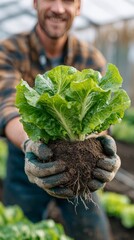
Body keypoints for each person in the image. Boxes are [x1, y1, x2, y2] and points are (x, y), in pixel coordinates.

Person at [0, 0, 121, 239]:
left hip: (80, 165)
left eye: (67, 0)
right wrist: (30, 145)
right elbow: (7, 108)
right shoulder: (11, 49)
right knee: (17, 230)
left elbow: (101, 119)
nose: (57, 8)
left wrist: (101, 147)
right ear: (35, 3)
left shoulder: (90, 58)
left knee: (95, 234)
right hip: (27, 158)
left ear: (79, 7)